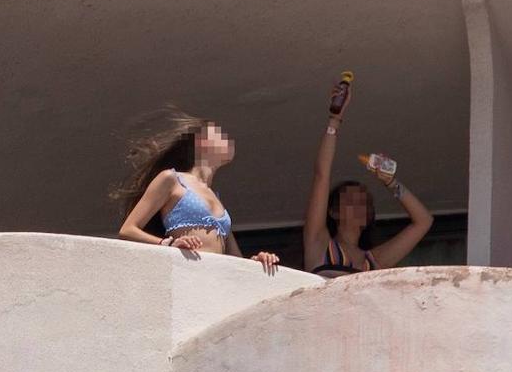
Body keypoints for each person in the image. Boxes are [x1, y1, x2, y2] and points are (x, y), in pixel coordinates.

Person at [115, 108, 280, 274]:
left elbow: (235, 258)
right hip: (186, 272)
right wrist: (167, 244)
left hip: (214, 277)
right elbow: (128, 230)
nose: (228, 140)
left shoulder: (215, 197)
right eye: (219, 135)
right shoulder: (171, 179)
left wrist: (256, 261)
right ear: (201, 141)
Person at [303, 81, 432, 276]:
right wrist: (335, 119)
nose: (360, 205)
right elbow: (322, 175)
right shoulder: (319, 243)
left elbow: (424, 221)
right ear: (333, 211)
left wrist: (390, 182)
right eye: (351, 200)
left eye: (365, 202)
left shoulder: (374, 260)